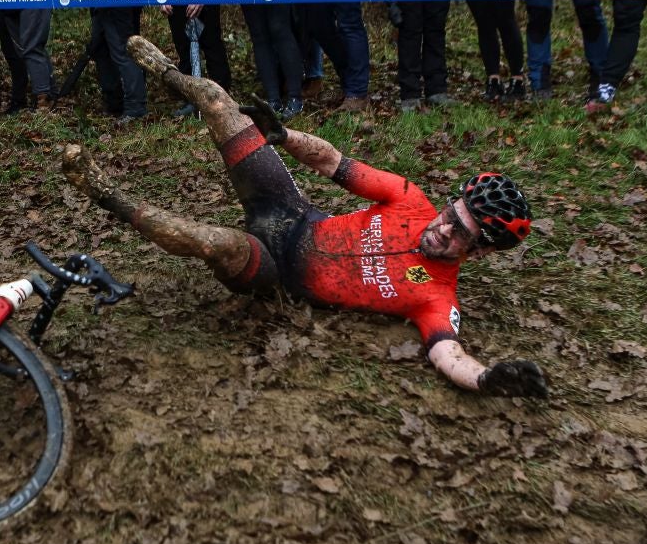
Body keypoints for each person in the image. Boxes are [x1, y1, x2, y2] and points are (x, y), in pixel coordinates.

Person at [64, 36, 547, 398]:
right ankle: (167, 70)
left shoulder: (435, 297)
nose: (442, 227)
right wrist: (283, 136)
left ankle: (105, 192)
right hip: (290, 212)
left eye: (458, 231)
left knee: (213, 241)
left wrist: (486, 377)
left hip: (274, 269)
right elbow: (332, 162)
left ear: (479, 250)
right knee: (218, 101)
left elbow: (448, 353)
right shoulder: (409, 198)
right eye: (449, 213)